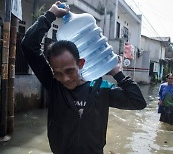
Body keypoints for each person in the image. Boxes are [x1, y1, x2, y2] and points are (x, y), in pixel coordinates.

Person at [21, 1, 146, 154]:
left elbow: (138, 102)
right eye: (58, 73)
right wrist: (50, 15)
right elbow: (28, 45)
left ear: (80, 63)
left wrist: (116, 72)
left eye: (69, 71)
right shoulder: (54, 85)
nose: (65, 78)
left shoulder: (101, 89)